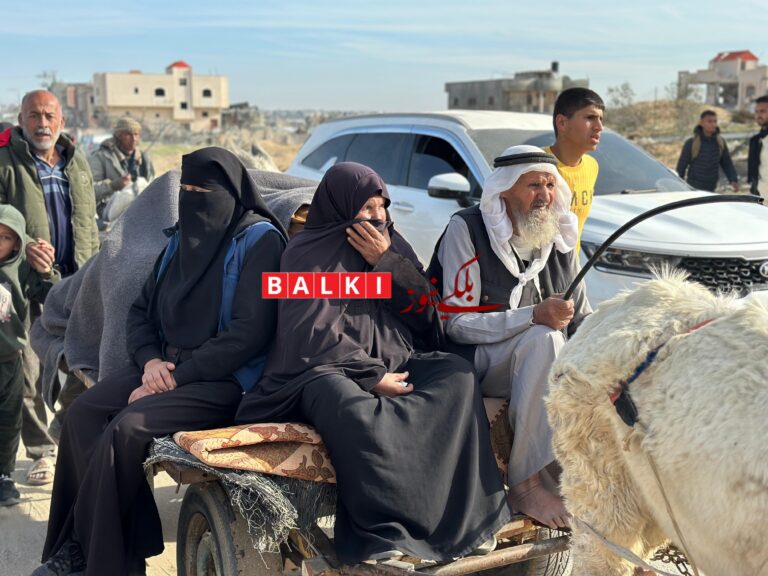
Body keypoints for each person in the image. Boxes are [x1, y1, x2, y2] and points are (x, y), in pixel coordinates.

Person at [236, 162, 510, 564]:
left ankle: (466, 525)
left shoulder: (392, 244)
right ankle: (383, 534)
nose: (377, 216)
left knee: (456, 376)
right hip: (324, 368)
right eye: (366, 207)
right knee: (351, 406)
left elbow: (427, 314)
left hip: (397, 356)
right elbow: (312, 333)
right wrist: (371, 375)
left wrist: (387, 262)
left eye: (382, 206)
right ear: (342, 207)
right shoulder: (306, 252)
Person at [33, 147, 287, 576]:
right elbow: (140, 312)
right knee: (82, 415)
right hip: (163, 367)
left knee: (126, 428)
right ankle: (99, 549)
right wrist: (150, 362)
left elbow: (249, 334)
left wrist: (176, 377)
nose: (191, 199)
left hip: (224, 380)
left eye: (202, 192)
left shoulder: (259, 241)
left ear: (230, 193)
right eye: (185, 189)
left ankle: (92, 557)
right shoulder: (180, 241)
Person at [431, 145, 591, 530]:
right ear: (504, 190)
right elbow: (455, 323)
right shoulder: (467, 229)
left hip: (537, 361)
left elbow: (584, 318)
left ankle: (583, 486)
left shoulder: (557, 234)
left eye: (550, 185)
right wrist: (531, 316)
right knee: (544, 339)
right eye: (533, 185)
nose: (544, 196)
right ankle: (526, 485)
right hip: (472, 360)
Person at [0, 90, 99, 486]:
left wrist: (97, 265)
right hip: (21, 278)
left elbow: (89, 220)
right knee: (26, 365)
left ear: (61, 120)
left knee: (82, 356)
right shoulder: (6, 162)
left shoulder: (76, 161)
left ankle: (64, 425)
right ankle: (41, 450)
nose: (42, 123)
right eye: (34, 115)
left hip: (76, 279)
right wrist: (24, 247)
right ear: (21, 119)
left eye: (49, 115)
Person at [0, 205, 58, 506]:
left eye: (6, 237)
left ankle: (4, 476)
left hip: (10, 360)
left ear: (18, 243)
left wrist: (46, 271)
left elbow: (52, 295)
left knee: (10, 420)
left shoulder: (23, 268)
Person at [543, 87, 604, 247]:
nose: (599, 127)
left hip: (572, 263)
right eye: (590, 117)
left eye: (601, 119)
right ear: (562, 123)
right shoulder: (537, 165)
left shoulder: (592, 166)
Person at [88, 117, 155, 224]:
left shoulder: (144, 159)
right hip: (108, 210)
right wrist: (112, 186)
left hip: (140, 210)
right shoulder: (100, 157)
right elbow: (88, 190)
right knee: (131, 193)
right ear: (119, 136)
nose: (133, 139)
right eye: (128, 134)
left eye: (136, 134)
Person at [676, 110, 739, 192]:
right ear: (701, 123)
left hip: (712, 187)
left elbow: (727, 163)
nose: (713, 124)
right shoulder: (692, 143)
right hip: (694, 187)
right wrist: (678, 186)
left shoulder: (720, 142)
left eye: (715, 121)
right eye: (709, 121)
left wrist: (733, 180)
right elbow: (681, 166)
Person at [748, 95, 768, 200]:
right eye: (756, 112)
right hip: (761, 197)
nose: (758, 115)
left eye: (763, 111)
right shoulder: (759, 138)